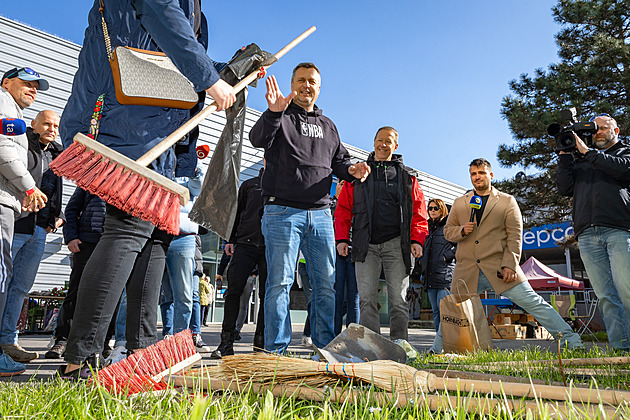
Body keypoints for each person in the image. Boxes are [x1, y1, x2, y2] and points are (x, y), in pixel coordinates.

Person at [58, 0, 235, 380]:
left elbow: (171, 58)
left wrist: (230, 72)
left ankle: (139, 357)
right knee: (127, 230)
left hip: (162, 128)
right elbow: (164, 21)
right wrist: (210, 78)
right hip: (132, 122)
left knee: (155, 238)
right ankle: (80, 359)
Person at [249, 63, 370, 352]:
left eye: (312, 81)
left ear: (319, 87)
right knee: (279, 283)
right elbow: (257, 140)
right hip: (282, 212)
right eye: (301, 80)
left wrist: (352, 169)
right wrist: (273, 113)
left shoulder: (329, 126)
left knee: (326, 286)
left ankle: (325, 349)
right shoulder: (280, 115)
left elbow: (340, 162)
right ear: (293, 84)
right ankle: (276, 351)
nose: (307, 85)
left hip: (321, 215)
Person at [436, 158, 582, 352]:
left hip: (500, 268)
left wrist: (510, 264)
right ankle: (437, 350)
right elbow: (448, 231)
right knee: (454, 311)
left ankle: (571, 341)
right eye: (473, 174)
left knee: (534, 303)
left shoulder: (506, 201)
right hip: (467, 269)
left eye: (481, 173)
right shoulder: (460, 203)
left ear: (491, 175)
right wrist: (462, 230)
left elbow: (515, 235)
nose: (477, 177)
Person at [335, 126, 428, 341]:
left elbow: (419, 212)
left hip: (397, 245)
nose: (383, 144)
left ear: (395, 146)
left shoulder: (407, 177)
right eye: (380, 140)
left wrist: (417, 239)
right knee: (366, 300)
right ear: (374, 142)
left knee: (399, 300)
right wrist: (342, 238)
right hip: (364, 245)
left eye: (388, 141)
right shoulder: (358, 174)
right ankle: (373, 347)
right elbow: (343, 210)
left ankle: (399, 344)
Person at [557, 114, 630, 351]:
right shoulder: (584, 160)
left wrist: (587, 152)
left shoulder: (624, 153)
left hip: (619, 229)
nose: (597, 132)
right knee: (605, 296)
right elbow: (564, 188)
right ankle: (621, 349)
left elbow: (621, 171)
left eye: (602, 128)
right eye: (593, 129)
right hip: (587, 234)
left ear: (616, 130)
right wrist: (565, 156)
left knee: (627, 290)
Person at [0, 110, 64, 362]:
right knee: (3, 282)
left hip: (39, 230)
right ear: (33, 125)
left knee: (20, 288)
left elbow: (55, 190)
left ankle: (8, 341)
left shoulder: (56, 154)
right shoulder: (21, 145)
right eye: (46, 124)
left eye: (55, 126)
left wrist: (57, 217)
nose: (51, 128)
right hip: (16, 224)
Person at [0, 66, 49, 376]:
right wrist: (28, 186)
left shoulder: (10, 107)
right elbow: (4, 150)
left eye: (36, 85)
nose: (32, 88)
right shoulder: (4, 104)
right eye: (26, 83)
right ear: (7, 82)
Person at [45, 186, 106, 359]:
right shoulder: (90, 178)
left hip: (114, 242)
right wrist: (71, 236)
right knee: (76, 293)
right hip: (87, 242)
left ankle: (103, 343)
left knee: (108, 296)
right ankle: (62, 340)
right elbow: (71, 210)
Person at [211, 167, 266, 358]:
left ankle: (261, 345)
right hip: (245, 244)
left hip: (270, 248)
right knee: (233, 291)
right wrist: (230, 239)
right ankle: (226, 343)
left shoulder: (282, 185)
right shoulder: (249, 185)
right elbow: (237, 213)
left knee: (267, 296)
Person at [418, 198, 456, 353]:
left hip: (445, 275)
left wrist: (448, 256)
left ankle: (447, 346)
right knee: (435, 313)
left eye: (436, 208)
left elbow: (458, 244)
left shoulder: (448, 226)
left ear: (442, 210)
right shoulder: (426, 227)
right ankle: (440, 346)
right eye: (430, 208)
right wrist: (421, 260)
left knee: (445, 313)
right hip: (430, 276)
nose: (432, 211)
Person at [332, 179, 360, 336]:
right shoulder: (330, 204)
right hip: (336, 254)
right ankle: (334, 337)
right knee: (336, 298)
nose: (344, 186)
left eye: (347, 184)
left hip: (354, 254)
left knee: (353, 299)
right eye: (341, 183)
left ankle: (352, 340)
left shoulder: (358, 205)